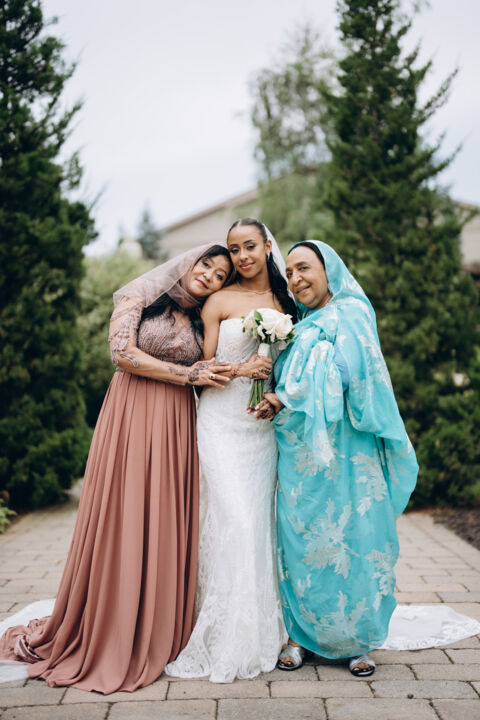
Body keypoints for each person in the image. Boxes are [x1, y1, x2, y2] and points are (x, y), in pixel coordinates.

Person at [0, 244, 234, 693]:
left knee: (163, 517)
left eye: (221, 275)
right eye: (206, 264)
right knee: (123, 514)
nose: (210, 275)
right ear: (189, 261)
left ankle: (159, 624)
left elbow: (210, 370)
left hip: (175, 425)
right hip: (130, 414)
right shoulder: (140, 294)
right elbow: (122, 353)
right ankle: (112, 620)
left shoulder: (204, 318)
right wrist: (187, 375)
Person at [256, 240, 419, 676]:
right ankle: (299, 636)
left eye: (304, 268)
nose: (296, 279)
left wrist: (286, 393)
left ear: (329, 270)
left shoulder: (351, 313)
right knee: (300, 538)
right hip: (300, 455)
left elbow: (351, 374)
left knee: (357, 537)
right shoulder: (300, 324)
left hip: (349, 449)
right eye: (290, 272)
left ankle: (359, 641)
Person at [165, 218, 296, 683]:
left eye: (249, 247)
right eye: (234, 249)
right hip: (220, 421)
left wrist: (274, 392)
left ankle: (262, 629)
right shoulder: (219, 301)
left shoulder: (287, 303)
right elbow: (203, 369)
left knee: (256, 523)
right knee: (234, 519)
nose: (241, 257)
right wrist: (243, 370)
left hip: (261, 428)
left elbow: (293, 366)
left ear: (267, 246)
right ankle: (224, 634)